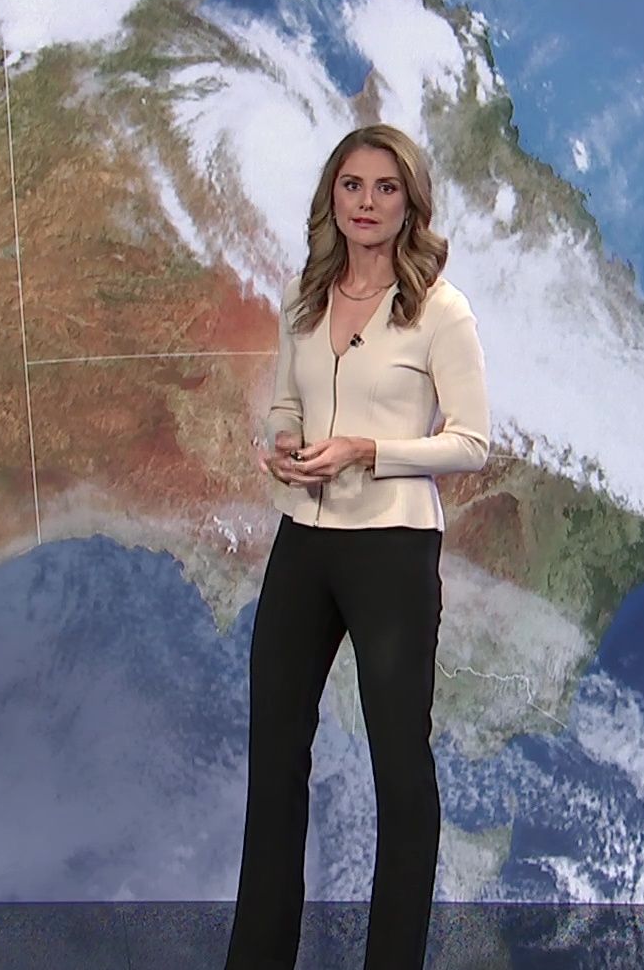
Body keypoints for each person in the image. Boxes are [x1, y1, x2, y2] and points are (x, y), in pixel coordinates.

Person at [225, 124, 490, 970]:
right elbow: (285, 405)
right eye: (352, 185)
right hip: (303, 545)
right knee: (274, 761)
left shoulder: (439, 310)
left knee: (400, 774)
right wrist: (282, 445)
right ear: (331, 198)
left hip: (392, 550)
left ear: (410, 203)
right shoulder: (303, 300)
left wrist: (370, 451)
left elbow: (472, 442)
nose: (366, 203)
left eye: (385, 187)